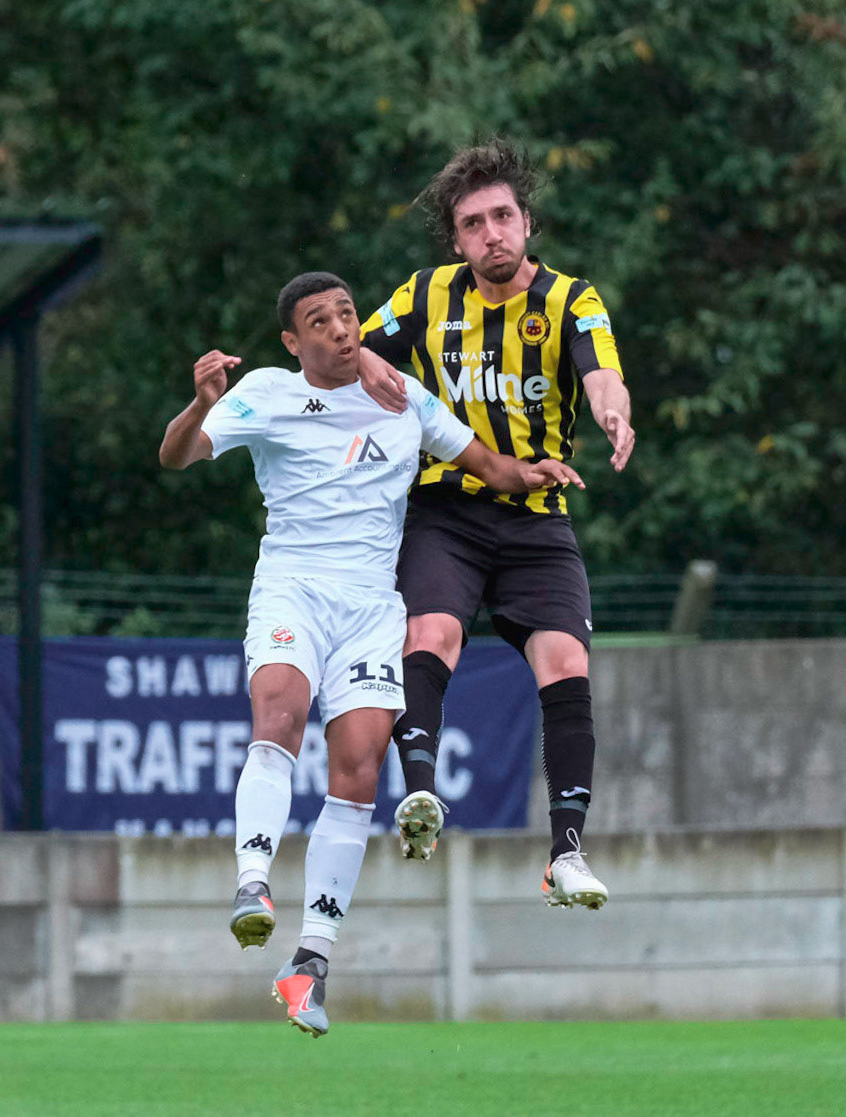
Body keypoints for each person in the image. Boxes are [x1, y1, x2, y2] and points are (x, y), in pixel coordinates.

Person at [160, 271, 578, 1036]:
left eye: (346, 314)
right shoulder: (266, 392)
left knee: (356, 769)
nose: (340, 328)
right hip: (292, 587)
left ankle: (309, 964)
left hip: (369, 606)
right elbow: (177, 455)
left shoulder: (402, 396)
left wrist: (530, 474)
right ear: (293, 341)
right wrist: (200, 403)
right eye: (318, 321)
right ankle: (252, 882)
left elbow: (481, 462)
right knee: (278, 716)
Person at [357, 139, 635, 910]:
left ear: (526, 223)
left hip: (537, 516)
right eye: (473, 223)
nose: (492, 234)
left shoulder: (570, 301)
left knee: (564, 661)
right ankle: (420, 797)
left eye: (503, 216)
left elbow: (601, 371)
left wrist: (613, 411)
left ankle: (566, 853)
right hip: (445, 510)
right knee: (432, 633)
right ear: (456, 239)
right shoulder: (422, 295)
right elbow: (350, 354)